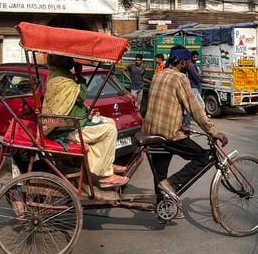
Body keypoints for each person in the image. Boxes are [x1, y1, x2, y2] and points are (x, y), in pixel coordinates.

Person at [142, 47, 228, 218]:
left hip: (151, 131)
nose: (189, 65)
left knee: (160, 175)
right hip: (168, 134)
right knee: (203, 157)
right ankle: (172, 185)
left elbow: (165, 104)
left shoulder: (159, 74)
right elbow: (195, 108)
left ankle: (164, 209)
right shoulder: (180, 78)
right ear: (182, 62)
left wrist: (181, 124)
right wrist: (213, 131)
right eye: (188, 62)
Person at [41, 54, 128, 188]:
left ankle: (105, 165)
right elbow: (81, 95)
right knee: (109, 130)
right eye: (68, 59)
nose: (71, 61)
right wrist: (80, 75)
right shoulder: (62, 78)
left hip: (68, 123)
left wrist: (87, 112)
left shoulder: (59, 75)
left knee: (110, 122)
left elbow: (70, 104)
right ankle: (105, 175)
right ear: (61, 61)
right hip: (64, 130)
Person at [184, 50, 205, 126]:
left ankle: (200, 119)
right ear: (191, 57)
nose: (195, 58)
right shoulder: (191, 66)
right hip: (193, 87)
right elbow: (196, 77)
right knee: (190, 106)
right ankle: (187, 123)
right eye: (194, 57)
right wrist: (208, 82)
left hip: (195, 87)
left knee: (201, 103)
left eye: (196, 57)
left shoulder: (194, 65)